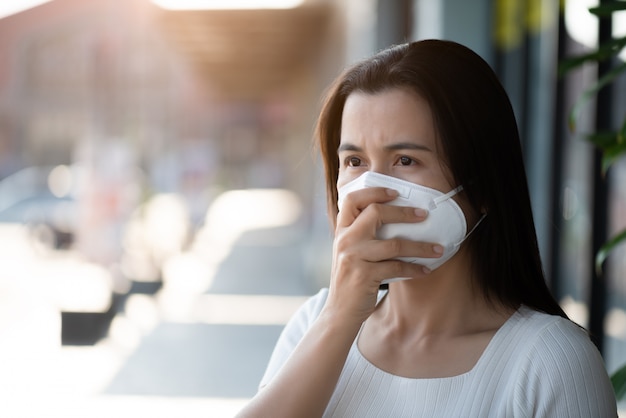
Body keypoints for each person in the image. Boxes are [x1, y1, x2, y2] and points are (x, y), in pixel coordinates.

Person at [236, 40, 618, 417]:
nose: (371, 190)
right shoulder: (315, 322)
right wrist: (339, 317)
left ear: (483, 185)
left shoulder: (551, 362)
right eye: (354, 160)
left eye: (405, 160)